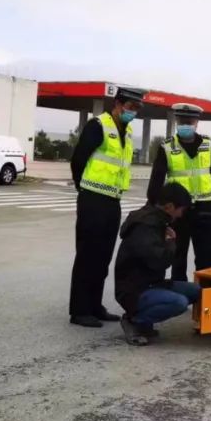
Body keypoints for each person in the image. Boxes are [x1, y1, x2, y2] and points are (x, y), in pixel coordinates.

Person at [67, 87, 145, 328]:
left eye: (136, 109)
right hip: (93, 199)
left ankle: (95, 306)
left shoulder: (127, 131)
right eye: (130, 108)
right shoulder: (98, 125)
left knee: (103, 256)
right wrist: (84, 188)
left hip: (112, 200)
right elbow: (78, 159)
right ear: (118, 104)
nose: (133, 113)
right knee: (87, 255)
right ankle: (79, 310)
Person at [114, 182, 202, 346]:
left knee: (197, 291)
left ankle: (145, 321)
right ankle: (135, 320)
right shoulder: (146, 226)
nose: (181, 215)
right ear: (169, 207)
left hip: (151, 283)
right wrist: (170, 243)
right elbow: (158, 262)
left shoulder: (157, 221)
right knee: (179, 302)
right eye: (180, 210)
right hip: (134, 290)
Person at [147, 103, 211, 281]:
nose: (185, 125)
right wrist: (155, 209)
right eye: (182, 121)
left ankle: (207, 298)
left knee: (208, 258)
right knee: (177, 256)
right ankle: (180, 295)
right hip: (177, 211)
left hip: (205, 208)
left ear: (197, 122)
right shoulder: (166, 147)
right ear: (176, 121)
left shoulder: (208, 144)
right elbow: (156, 182)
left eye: (189, 122)